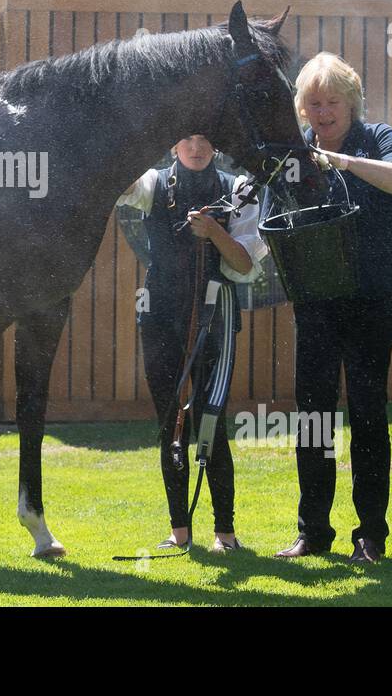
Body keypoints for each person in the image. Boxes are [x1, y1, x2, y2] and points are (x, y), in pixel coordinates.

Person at [272, 52, 392, 564]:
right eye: (313, 103)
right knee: (312, 418)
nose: (324, 111)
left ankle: (370, 537)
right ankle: (312, 533)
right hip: (315, 301)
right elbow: (275, 218)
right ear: (302, 109)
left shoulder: (378, 138)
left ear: (351, 102)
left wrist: (346, 163)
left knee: (367, 414)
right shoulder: (295, 152)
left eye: (332, 101)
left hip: (373, 299)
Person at [118, 135, 268, 552]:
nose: (196, 147)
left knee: (209, 423)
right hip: (160, 320)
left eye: (204, 140)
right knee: (171, 424)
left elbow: (244, 265)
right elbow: (118, 184)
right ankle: (179, 533)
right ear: (172, 145)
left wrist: (215, 233)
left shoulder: (238, 189)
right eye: (186, 139)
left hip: (215, 321)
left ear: (216, 146)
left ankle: (226, 535)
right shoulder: (152, 184)